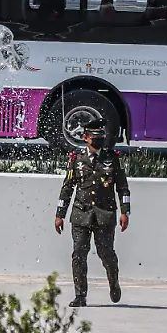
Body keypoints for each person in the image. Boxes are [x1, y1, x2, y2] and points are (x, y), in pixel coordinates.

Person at [54, 119, 130, 307]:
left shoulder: (112, 158)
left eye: (101, 137)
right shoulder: (77, 159)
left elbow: (122, 188)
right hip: (81, 213)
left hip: (105, 214)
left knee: (106, 253)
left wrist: (125, 211)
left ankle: (114, 282)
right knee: (79, 253)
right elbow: (67, 188)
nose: (99, 140)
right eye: (95, 137)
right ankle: (80, 295)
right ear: (86, 138)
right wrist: (60, 214)